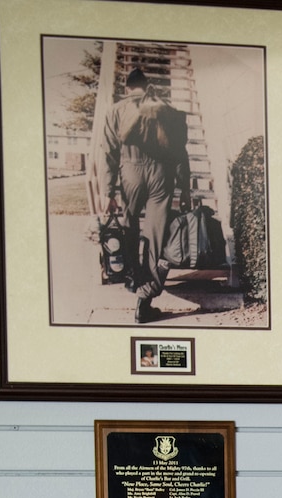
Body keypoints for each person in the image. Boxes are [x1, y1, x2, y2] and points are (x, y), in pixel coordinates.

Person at [97, 65, 190, 323]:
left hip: (130, 173)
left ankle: (131, 277)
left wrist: (108, 191)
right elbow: (180, 152)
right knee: (156, 235)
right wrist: (184, 188)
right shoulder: (168, 111)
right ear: (148, 86)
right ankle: (144, 300)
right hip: (162, 175)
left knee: (127, 227)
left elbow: (108, 153)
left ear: (127, 89)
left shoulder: (116, 111)